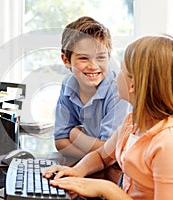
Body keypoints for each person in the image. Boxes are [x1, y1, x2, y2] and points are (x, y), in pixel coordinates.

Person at [43, 35, 173, 200]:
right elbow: (101, 156)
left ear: (132, 85)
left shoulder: (171, 144)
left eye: (122, 71)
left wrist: (107, 190)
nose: (115, 75)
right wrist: (77, 171)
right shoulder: (132, 122)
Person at [54, 16, 130, 162]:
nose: (93, 66)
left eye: (101, 58)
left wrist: (75, 135)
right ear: (66, 60)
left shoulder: (118, 90)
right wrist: (97, 157)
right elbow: (60, 142)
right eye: (83, 58)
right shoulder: (68, 85)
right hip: (96, 166)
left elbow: (112, 152)